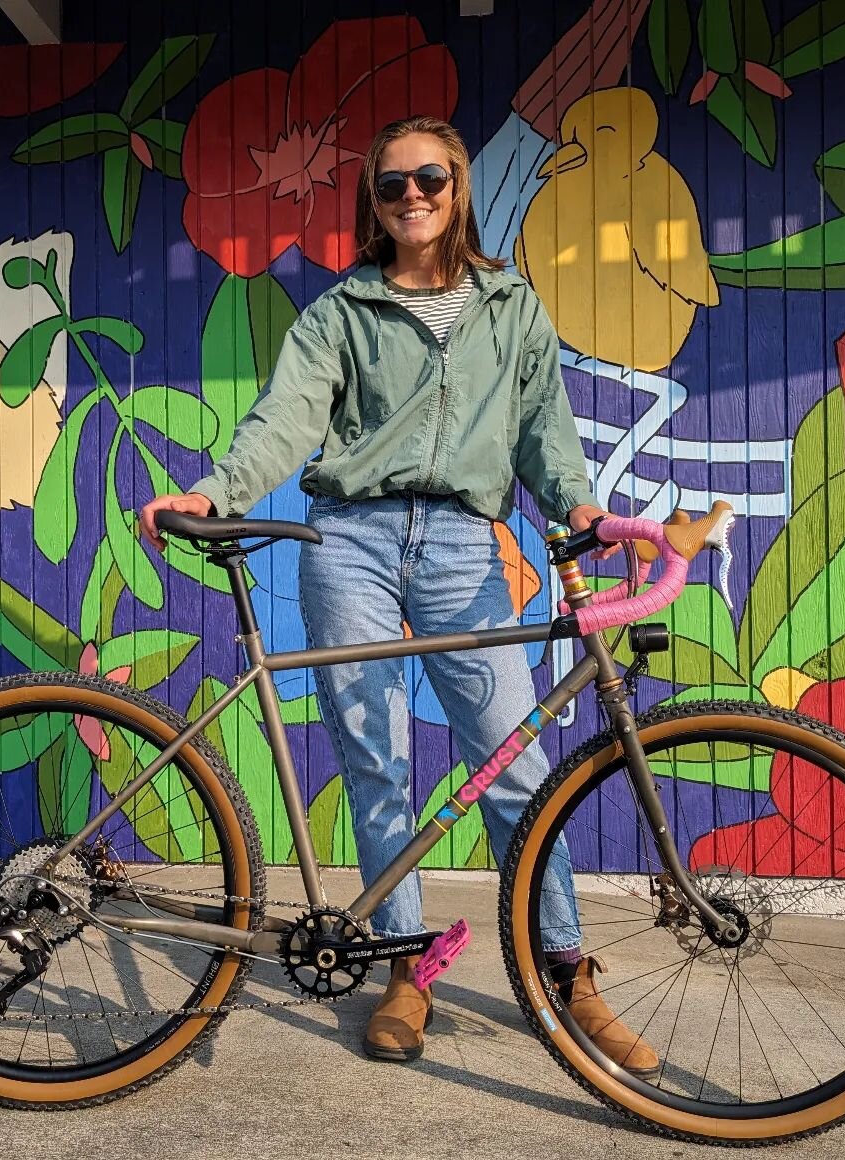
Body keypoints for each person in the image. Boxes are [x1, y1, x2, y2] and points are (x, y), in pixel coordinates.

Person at [139, 115, 656, 1073]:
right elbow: (286, 416)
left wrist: (584, 508)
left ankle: (568, 968)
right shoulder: (342, 313)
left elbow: (547, 431)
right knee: (375, 767)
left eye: (429, 178)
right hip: (351, 544)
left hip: (466, 543)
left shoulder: (512, 307)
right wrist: (216, 493)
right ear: (374, 204)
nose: (412, 196)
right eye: (391, 185)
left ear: (456, 186)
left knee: (514, 767)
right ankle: (404, 967)